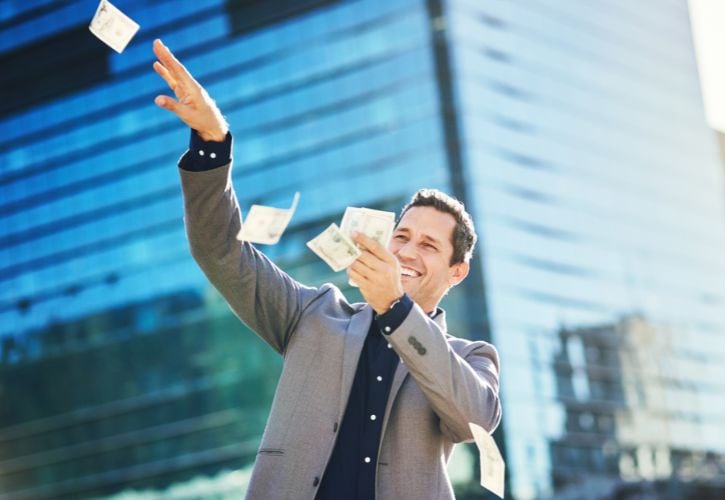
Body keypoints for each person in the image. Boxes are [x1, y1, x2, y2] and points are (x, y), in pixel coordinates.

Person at [151, 38, 501, 500]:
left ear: (457, 272)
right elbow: (220, 251)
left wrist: (396, 309)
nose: (409, 251)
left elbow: (472, 416)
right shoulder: (313, 314)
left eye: (429, 245)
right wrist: (213, 146)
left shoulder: (471, 358)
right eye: (402, 236)